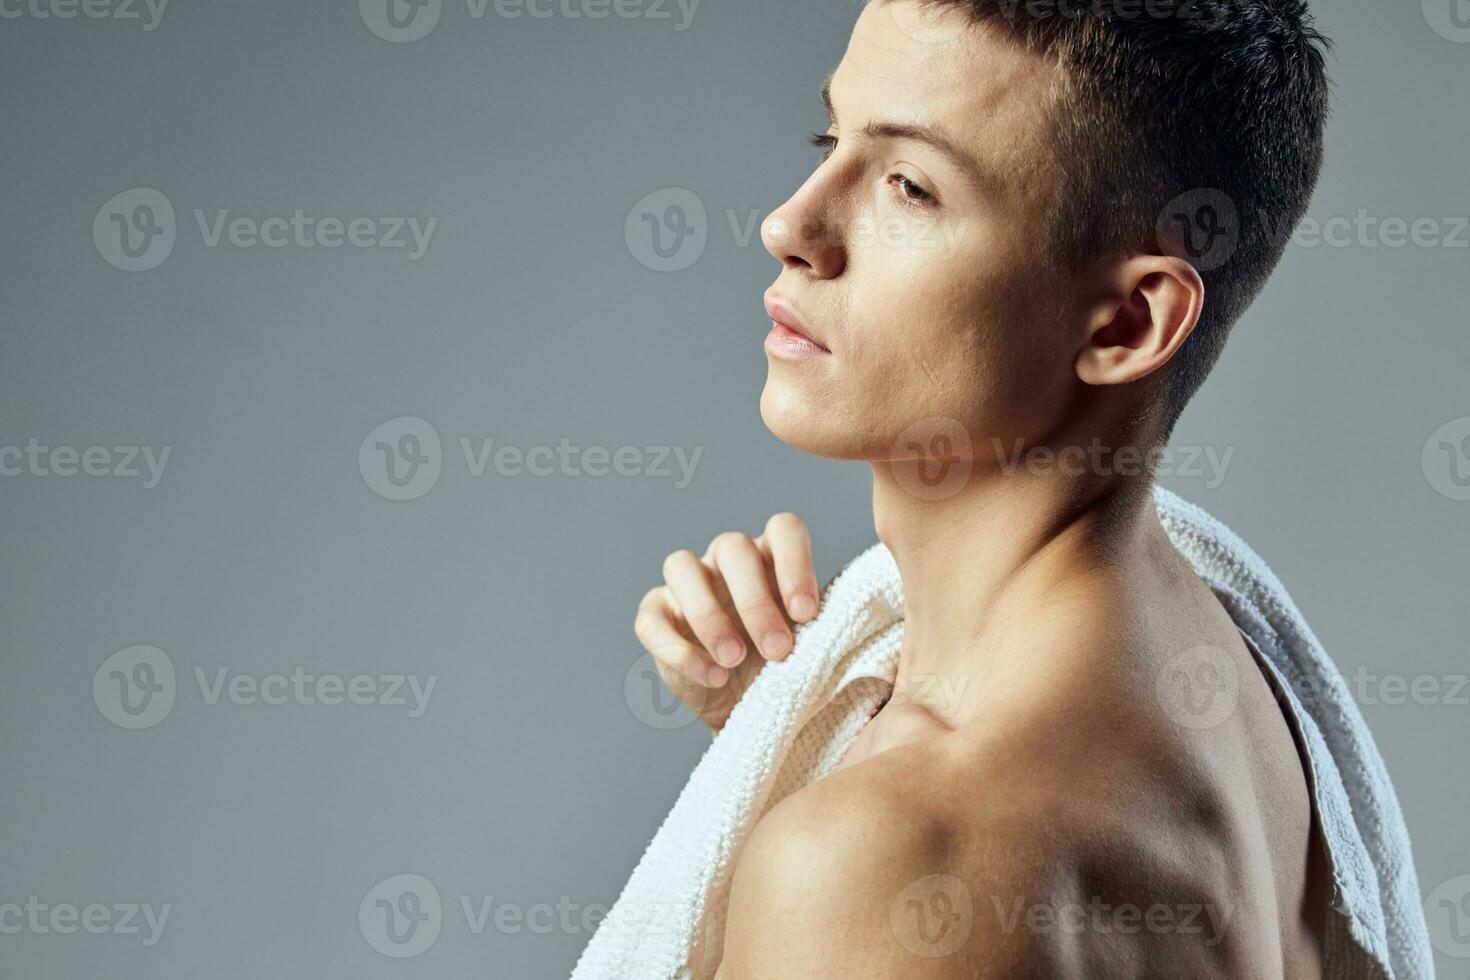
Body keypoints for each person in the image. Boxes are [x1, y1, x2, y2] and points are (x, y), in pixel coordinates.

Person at [634, 0, 1344, 975]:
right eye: (829, 136)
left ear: (1126, 325)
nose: (790, 224)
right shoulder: (1229, 681)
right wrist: (789, 725)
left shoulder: (881, 863)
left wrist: (868, 820)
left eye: (910, 186)